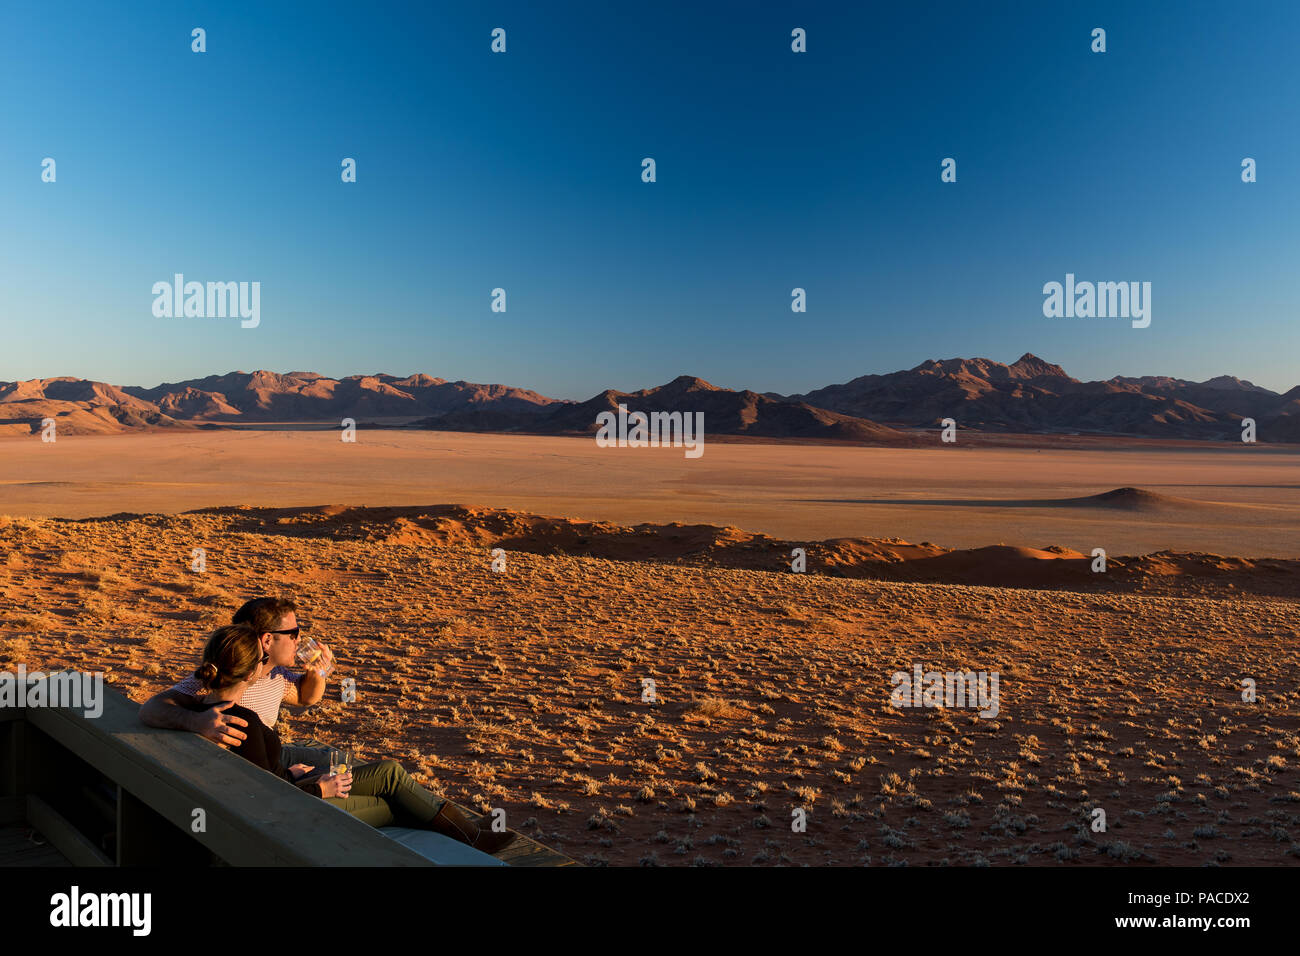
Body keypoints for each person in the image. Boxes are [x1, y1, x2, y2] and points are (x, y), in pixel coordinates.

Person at [183, 622, 516, 854]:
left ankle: (466, 832)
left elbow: (260, 776)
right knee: (387, 801)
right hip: (296, 819)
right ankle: (468, 839)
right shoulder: (241, 722)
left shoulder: (203, 710)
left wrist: (293, 775)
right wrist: (318, 788)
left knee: (388, 774)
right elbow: (265, 799)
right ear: (251, 667)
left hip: (291, 794)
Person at [138, 597, 334, 772]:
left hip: (268, 754)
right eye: (293, 633)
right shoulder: (226, 676)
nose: (299, 640)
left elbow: (304, 697)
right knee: (341, 769)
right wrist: (195, 722)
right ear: (267, 640)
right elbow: (151, 709)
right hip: (248, 769)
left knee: (336, 759)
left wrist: (317, 673)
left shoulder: (277, 676)